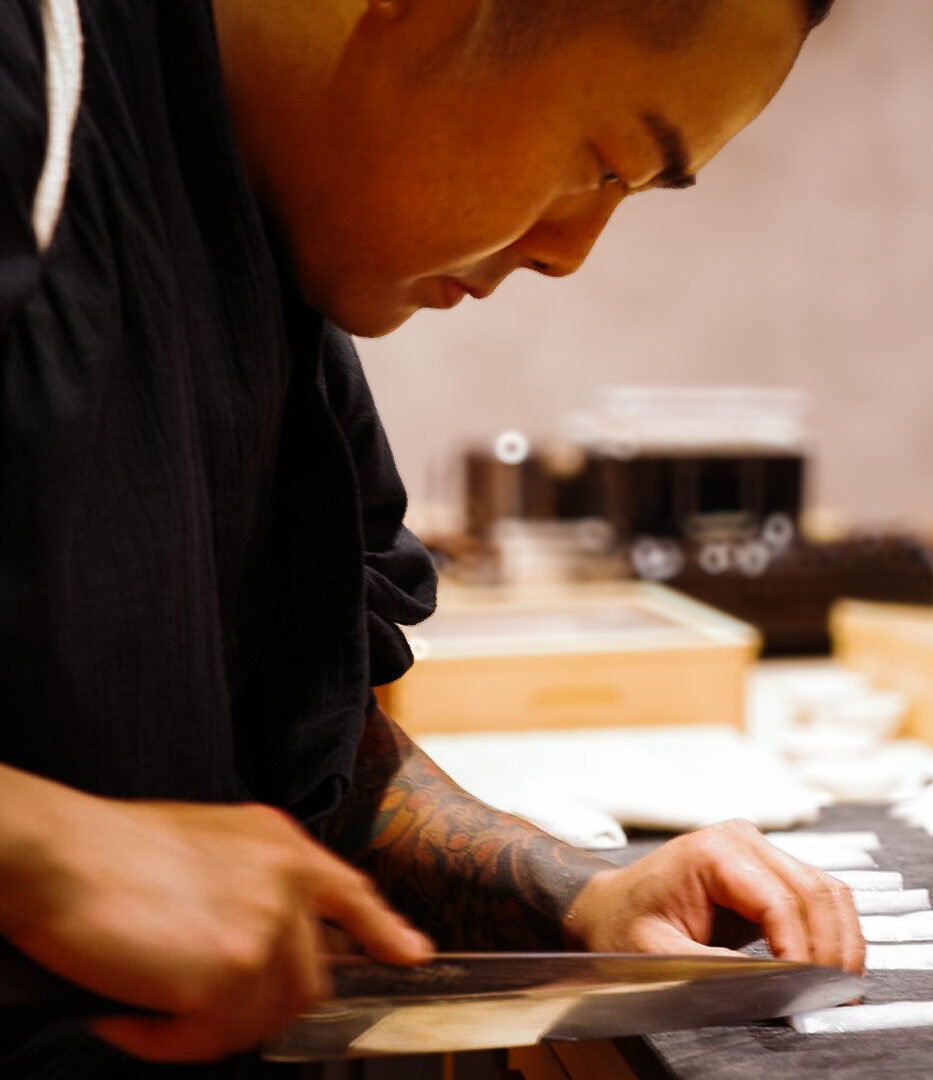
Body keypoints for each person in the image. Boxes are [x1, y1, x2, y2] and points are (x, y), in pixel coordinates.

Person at [0, 0, 861, 1075]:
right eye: (605, 164)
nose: (571, 253)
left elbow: (311, 754)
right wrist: (38, 849)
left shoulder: (280, 243)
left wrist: (581, 898)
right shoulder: (33, 86)